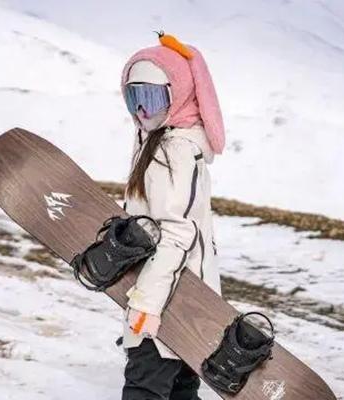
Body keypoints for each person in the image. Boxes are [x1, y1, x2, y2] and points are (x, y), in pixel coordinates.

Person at [119, 34, 225, 400]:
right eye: (134, 97)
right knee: (180, 388)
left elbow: (179, 234)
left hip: (167, 296)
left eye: (151, 97)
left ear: (176, 94)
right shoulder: (158, 140)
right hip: (187, 294)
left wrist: (147, 306)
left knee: (145, 387)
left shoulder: (174, 150)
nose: (142, 110)